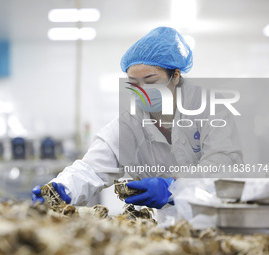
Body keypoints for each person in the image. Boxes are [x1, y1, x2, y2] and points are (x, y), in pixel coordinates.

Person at [32, 27, 243, 209]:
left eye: (151, 80)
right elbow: (91, 170)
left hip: (218, 221)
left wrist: (174, 188)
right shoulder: (129, 124)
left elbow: (224, 168)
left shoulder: (211, 111)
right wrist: (62, 188)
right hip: (169, 229)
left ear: (176, 76)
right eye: (134, 82)